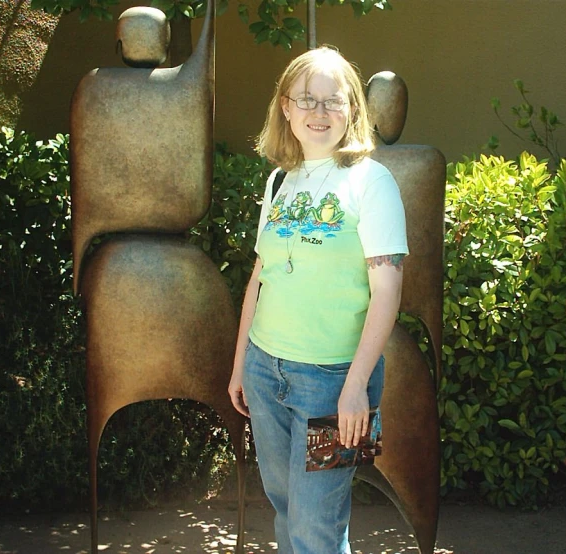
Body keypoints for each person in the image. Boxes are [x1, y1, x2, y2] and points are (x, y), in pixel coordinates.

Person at [227, 46, 408, 554]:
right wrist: (242, 364)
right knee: (286, 506)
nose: (320, 112)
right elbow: (260, 278)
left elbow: (387, 292)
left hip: (332, 382)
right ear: (286, 107)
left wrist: (356, 389)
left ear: (353, 109)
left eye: (335, 100)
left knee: (317, 526)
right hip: (266, 372)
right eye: (307, 99)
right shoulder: (280, 180)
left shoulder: (372, 181)